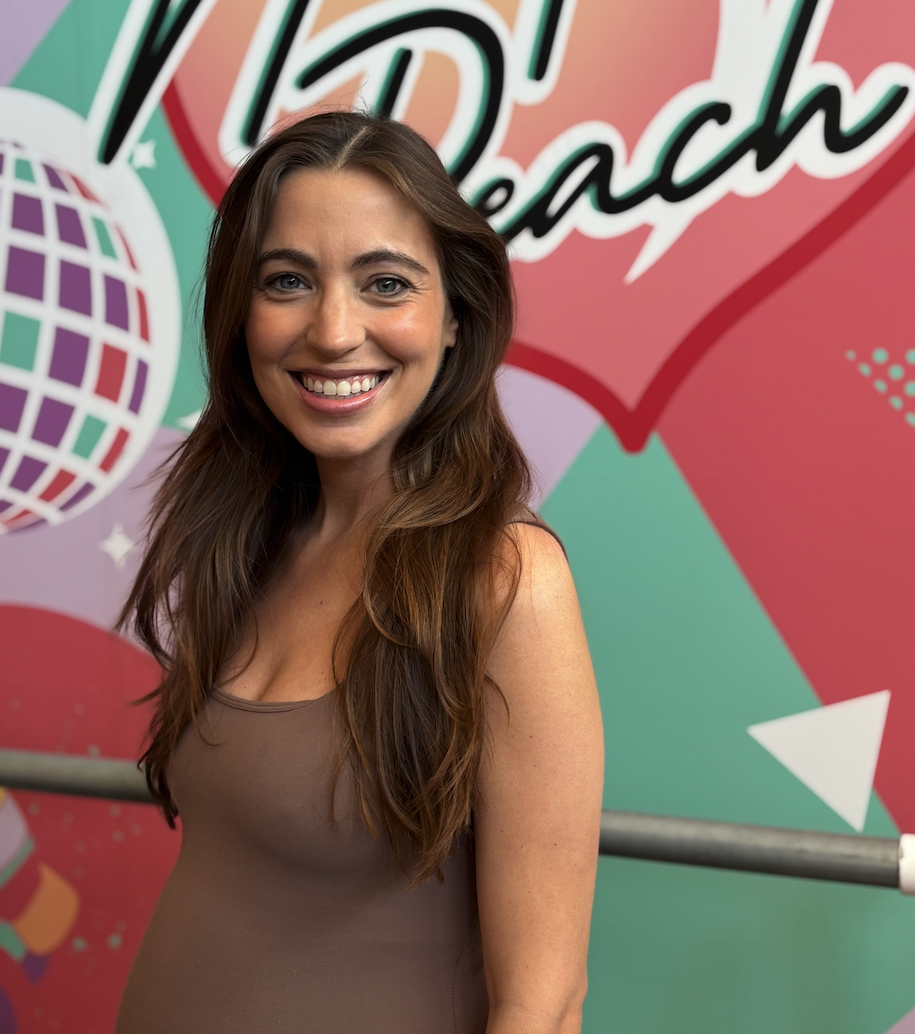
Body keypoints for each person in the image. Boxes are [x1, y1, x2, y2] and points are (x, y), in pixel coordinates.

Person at [115, 110, 604, 1034]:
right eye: (289, 280)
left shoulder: (507, 582)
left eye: (386, 283)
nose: (335, 332)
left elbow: (544, 1003)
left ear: (455, 317)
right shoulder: (254, 539)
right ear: (240, 312)